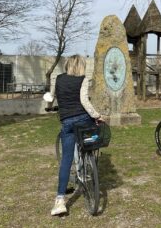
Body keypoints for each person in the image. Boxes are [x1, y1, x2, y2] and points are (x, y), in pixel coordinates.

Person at [49, 55, 103, 216]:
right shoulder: (83, 79)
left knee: (66, 160)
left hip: (67, 121)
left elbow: (50, 97)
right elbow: (84, 101)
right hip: (84, 119)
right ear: (81, 66)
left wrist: (48, 106)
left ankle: (59, 201)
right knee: (88, 138)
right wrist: (97, 115)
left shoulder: (57, 78)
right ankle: (88, 162)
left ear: (67, 65)